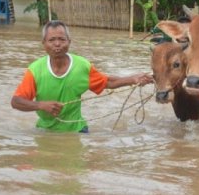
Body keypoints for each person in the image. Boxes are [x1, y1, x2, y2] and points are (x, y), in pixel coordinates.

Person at [11, 20, 153, 133]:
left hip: (76, 130)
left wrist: (134, 79)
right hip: (45, 130)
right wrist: (41, 105)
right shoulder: (35, 70)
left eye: (62, 39)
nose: (57, 44)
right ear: (44, 44)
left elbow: (107, 82)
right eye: (52, 40)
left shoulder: (82, 66)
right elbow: (16, 101)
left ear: (69, 42)